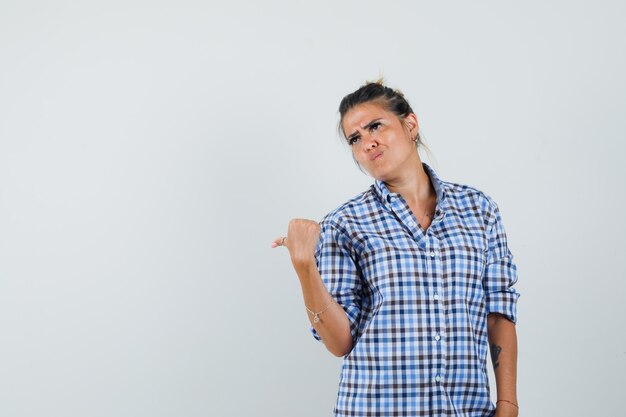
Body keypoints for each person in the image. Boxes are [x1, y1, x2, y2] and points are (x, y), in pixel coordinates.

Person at [272, 80, 520, 417]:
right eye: (355, 139)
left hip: (468, 410)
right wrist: (305, 268)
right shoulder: (345, 223)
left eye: (375, 126)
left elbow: (499, 311)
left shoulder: (479, 210)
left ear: (411, 124)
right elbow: (339, 342)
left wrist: (507, 404)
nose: (367, 142)